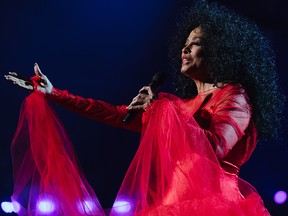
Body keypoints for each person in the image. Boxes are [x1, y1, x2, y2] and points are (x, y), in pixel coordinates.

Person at [5, 1, 285, 215]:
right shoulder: (178, 107)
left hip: (216, 206)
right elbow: (114, 114)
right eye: (184, 45)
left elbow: (215, 149)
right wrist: (55, 93)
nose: (184, 51)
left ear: (221, 52)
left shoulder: (235, 96)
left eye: (195, 44)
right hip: (169, 205)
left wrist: (164, 107)